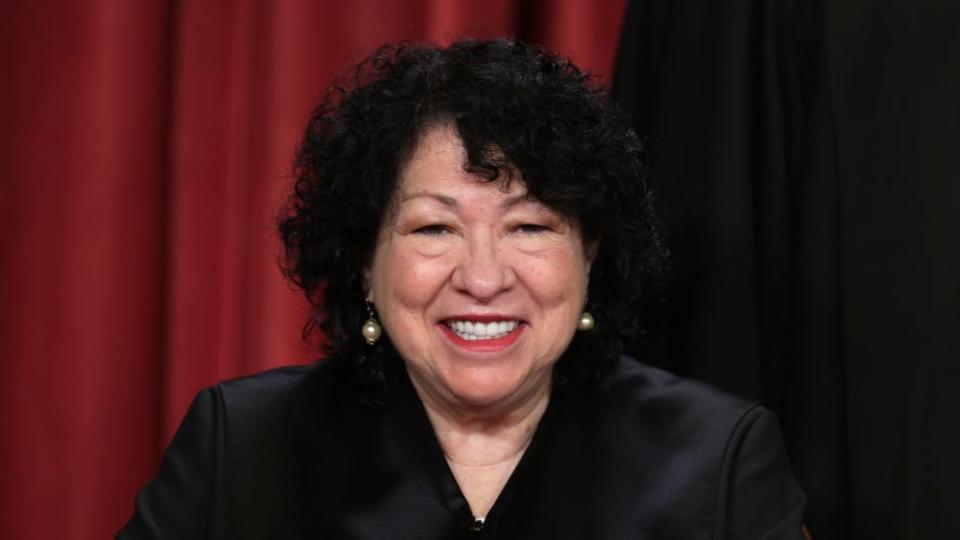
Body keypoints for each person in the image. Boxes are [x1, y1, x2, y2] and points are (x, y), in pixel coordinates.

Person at [117, 38, 807, 539]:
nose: (483, 277)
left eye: (530, 226)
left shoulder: (718, 459)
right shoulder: (240, 444)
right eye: (433, 230)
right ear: (364, 258)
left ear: (590, 254)